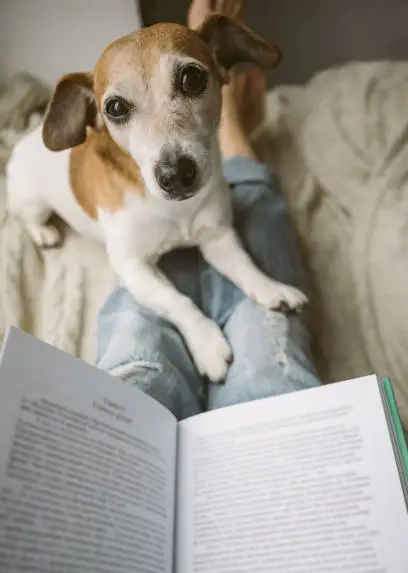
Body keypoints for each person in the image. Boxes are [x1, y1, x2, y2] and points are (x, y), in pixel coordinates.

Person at [96, 0, 320, 420]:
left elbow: (217, 236)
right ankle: (234, 134)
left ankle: (226, 115)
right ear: (94, 119)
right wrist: (191, 320)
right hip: (127, 199)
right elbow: (128, 262)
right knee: (270, 354)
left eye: (188, 79)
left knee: (134, 363)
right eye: (119, 108)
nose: (171, 162)